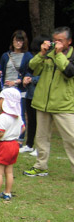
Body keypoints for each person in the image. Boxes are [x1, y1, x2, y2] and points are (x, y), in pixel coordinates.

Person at [24, 26, 74, 177]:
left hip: (63, 104)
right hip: (43, 103)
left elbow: (69, 72)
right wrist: (41, 53)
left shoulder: (71, 55)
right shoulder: (47, 55)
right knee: (41, 138)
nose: (56, 43)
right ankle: (40, 166)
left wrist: (58, 55)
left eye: (60, 40)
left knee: (71, 138)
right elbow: (32, 69)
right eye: (54, 40)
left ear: (69, 41)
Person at [0, 88, 24, 201]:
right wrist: (14, 134)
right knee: (9, 171)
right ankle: (7, 193)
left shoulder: (3, 117)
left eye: (1, 99)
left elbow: (0, 133)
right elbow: (23, 128)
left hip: (4, 146)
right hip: (14, 145)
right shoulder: (18, 116)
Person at [0, 30, 33, 141]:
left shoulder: (27, 56)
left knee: (19, 114)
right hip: (7, 89)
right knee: (6, 113)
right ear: (12, 41)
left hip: (19, 90)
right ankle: (7, 136)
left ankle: (19, 138)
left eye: (20, 41)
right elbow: (1, 70)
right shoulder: (5, 56)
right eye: (16, 40)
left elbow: (29, 73)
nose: (18, 43)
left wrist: (17, 81)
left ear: (24, 42)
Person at [20, 35, 49, 155]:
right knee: (31, 121)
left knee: (41, 122)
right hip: (30, 94)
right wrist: (25, 78)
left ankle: (39, 147)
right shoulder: (34, 58)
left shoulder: (48, 59)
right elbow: (29, 69)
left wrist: (32, 79)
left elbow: (45, 76)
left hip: (41, 94)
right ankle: (29, 144)